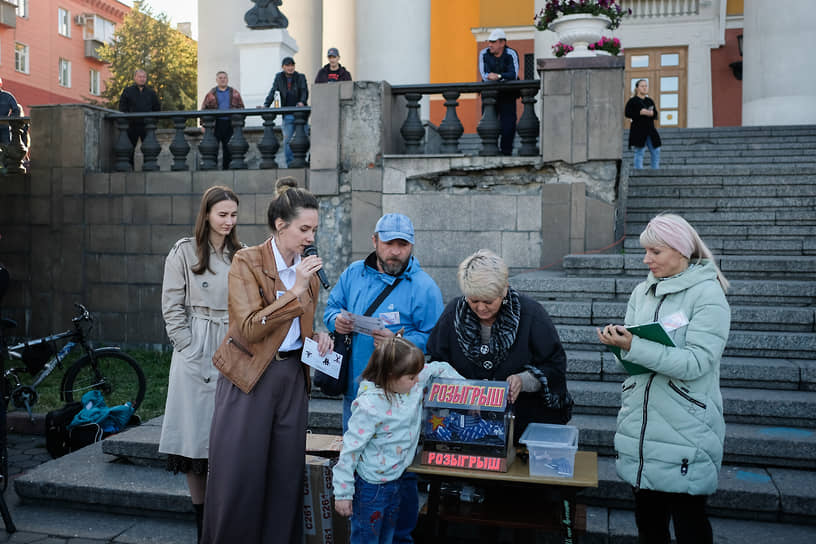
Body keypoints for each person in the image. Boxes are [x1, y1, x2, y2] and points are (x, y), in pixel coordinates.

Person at [201, 178, 333, 543]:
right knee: (241, 475)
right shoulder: (247, 260)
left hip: (292, 377)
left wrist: (317, 337)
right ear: (280, 225)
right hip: (249, 378)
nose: (310, 237)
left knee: (285, 476)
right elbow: (246, 328)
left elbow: (295, 329)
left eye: (314, 229)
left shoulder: (309, 274)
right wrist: (293, 292)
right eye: (304, 228)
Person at [596, 213, 731, 544]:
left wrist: (634, 345)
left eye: (655, 252)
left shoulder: (708, 295)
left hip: (686, 427)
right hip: (641, 426)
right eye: (646, 251)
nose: (646, 259)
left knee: (690, 525)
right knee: (649, 526)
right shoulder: (642, 292)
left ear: (680, 250)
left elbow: (697, 362)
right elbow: (635, 360)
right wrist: (621, 348)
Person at [324, 212, 444, 543]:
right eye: (389, 243)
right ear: (374, 241)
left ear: (411, 247)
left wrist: (399, 342)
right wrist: (338, 321)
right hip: (358, 390)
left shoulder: (424, 288)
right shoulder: (353, 274)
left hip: (400, 396)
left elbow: (433, 339)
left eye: (402, 245)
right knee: (359, 457)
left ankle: (401, 536)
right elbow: (331, 308)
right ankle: (365, 532)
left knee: (401, 472)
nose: (395, 251)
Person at [158, 186, 240, 543]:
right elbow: (171, 303)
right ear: (206, 213)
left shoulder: (242, 254)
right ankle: (201, 520)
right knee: (194, 439)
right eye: (222, 214)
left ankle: (223, 520)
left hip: (232, 345)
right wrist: (187, 344)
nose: (228, 221)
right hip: (196, 343)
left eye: (233, 215)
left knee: (228, 436)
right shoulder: (184, 251)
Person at [427, 249, 573, 443]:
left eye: (488, 301)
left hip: (522, 426)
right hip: (464, 426)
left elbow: (555, 366)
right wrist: (463, 391)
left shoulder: (531, 314)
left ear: (504, 289)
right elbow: (436, 363)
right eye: (473, 300)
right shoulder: (453, 313)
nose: (480, 308)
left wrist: (523, 380)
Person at [333, 336, 462, 543]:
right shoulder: (369, 406)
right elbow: (350, 451)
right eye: (412, 377)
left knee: (388, 536)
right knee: (367, 538)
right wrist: (343, 493)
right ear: (390, 376)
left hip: (396, 479)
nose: (418, 380)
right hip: (370, 487)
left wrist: (468, 390)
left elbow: (439, 367)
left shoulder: (411, 382)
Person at [478, 28, 520, 156]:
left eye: (493, 42)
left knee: (509, 124)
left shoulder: (511, 53)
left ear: (502, 43)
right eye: (489, 41)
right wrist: (497, 76)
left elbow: (514, 74)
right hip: (489, 95)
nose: (489, 44)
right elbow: (484, 74)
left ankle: (506, 152)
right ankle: (490, 149)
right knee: (488, 122)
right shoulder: (484, 53)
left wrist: (499, 76)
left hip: (508, 94)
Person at [263, 57, 308, 167]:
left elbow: (304, 91)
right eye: (287, 65)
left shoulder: (300, 77)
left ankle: (302, 161)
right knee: (288, 140)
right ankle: (290, 163)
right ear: (283, 67)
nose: (290, 68)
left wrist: (302, 102)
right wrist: (266, 105)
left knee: (303, 139)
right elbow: (273, 91)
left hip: (301, 114)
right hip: (287, 114)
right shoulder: (279, 77)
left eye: (292, 65)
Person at [201, 71, 245, 170]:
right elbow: (204, 109)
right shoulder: (211, 94)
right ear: (217, 80)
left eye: (224, 77)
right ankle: (213, 169)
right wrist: (203, 124)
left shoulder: (234, 93)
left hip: (230, 123)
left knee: (228, 148)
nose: (222, 79)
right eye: (220, 78)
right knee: (213, 148)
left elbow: (241, 107)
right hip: (215, 124)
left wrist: (240, 124)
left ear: (227, 79)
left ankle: (227, 169)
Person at [118, 69, 161, 166]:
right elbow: (122, 108)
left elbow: (157, 108)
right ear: (135, 78)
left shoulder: (151, 93)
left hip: (147, 126)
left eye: (144, 77)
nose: (142, 79)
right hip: (131, 126)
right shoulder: (127, 91)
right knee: (129, 149)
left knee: (149, 150)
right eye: (140, 77)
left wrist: (153, 123)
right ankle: (129, 169)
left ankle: (148, 168)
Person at [626, 79, 662, 169]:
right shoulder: (632, 101)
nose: (645, 88)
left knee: (656, 150)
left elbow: (656, 113)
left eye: (646, 86)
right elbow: (627, 113)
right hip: (638, 130)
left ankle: (655, 171)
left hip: (650, 130)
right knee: (639, 151)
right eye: (642, 86)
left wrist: (652, 113)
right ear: (637, 88)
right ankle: (638, 171)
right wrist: (640, 113)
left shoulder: (650, 101)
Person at [0, 76, 21, 145]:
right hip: (4, 127)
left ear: (0, 85)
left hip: (4, 128)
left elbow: (16, 110)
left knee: (6, 149)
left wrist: (9, 119)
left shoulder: (7, 96)